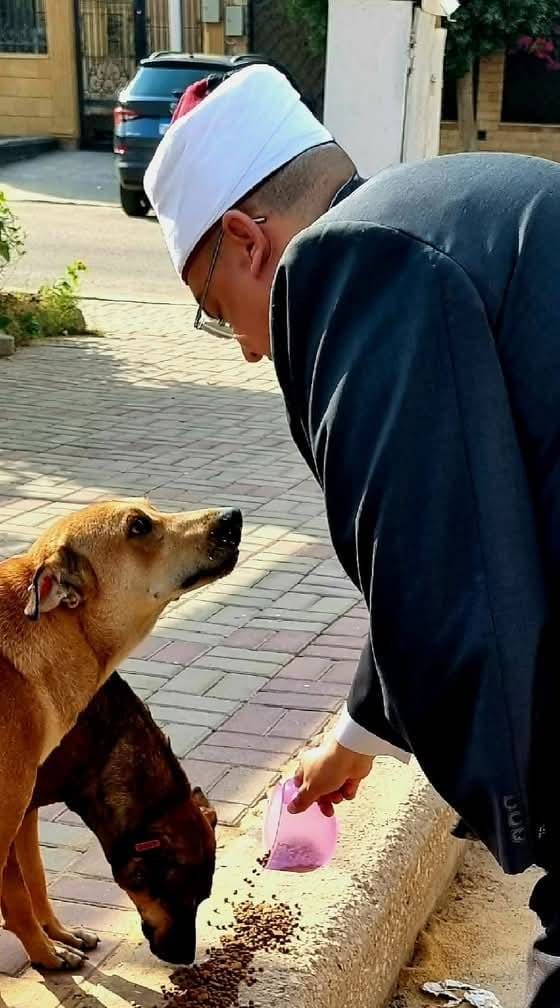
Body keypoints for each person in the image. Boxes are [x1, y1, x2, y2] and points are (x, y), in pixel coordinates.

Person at [144, 64, 560, 1005]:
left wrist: (522, 813)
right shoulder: (444, 209)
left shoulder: (347, 265)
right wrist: (360, 734)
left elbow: (447, 584)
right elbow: (448, 527)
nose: (246, 345)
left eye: (214, 308)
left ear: (247, 240)